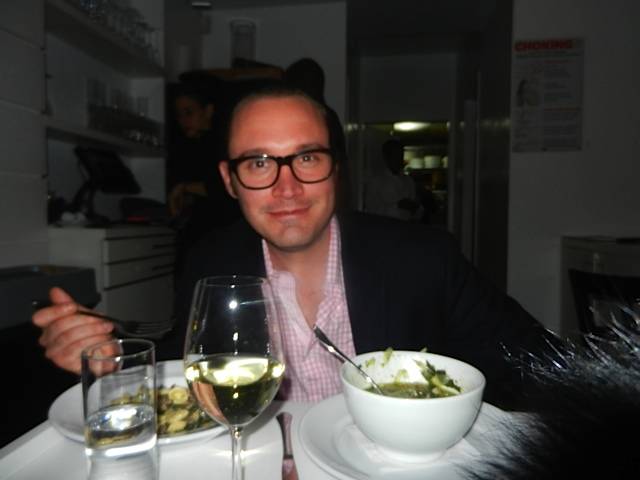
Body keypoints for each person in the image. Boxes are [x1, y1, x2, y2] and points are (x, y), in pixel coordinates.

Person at [33, 84, 556, 409]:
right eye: (259, 163)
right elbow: (184, 364)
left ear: (335, 169)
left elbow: (538, 365)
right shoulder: (210, 262)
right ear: (230, 180)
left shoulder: (424, 258)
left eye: (306, 158)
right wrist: (111, 355)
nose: (287, 188)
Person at [167, 82, 242, 277]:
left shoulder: (223, 143)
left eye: (189, 112)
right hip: (199, 238)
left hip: (222, 237)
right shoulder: (188, 146)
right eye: (179, 115)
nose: (183, 120)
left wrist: (184, 188)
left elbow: (221, 188)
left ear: (208, 111)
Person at [365, 138, 422, 221]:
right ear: (386, 157)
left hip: (406, 227)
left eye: (401, 155)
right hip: (384, 227)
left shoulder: (408, 181)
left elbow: (417, 214)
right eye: (395, 155)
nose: (399, 159)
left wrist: (415, 208)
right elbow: (371, 211)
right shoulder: (375, 182)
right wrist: (398, 206)